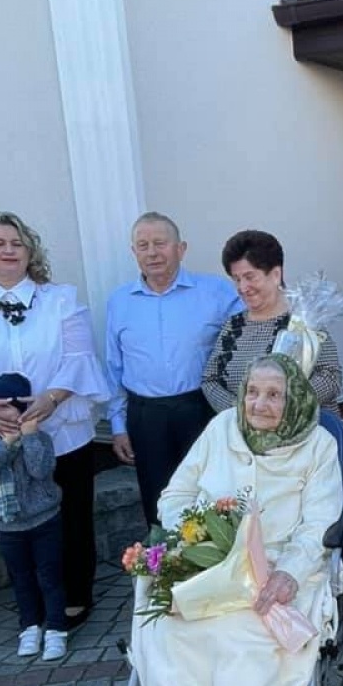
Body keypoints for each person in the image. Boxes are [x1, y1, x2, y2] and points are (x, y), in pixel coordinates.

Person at [135, 354, 343, 686]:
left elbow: (320, 524)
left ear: (293, 397)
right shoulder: (221, 427)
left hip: (278, 574)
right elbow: (175, 494)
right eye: (253, 391)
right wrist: (200, 529)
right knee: (165, 637)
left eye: (274, 394)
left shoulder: (317, 444)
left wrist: (290, 572)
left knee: (247, 646)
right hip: (210, 565)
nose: (260, 403)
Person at [0, 213, 109, 630]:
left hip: (62, 428)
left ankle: (77, 595)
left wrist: (51, 398)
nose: (8, 250)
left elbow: (80, 356)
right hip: (6, 436)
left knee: (72, 516)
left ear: (30, 252)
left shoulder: (61, 298)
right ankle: (33, 605)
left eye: (16, 243)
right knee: (18, 519)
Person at [105, 212, 242, 527]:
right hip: (145, 415)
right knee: (158, 500)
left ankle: (213, 569)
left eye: (160, 243)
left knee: (211, 495)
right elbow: (113, 367)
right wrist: (117, 425)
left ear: (181, 248)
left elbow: (250, 337)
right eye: (143, 245)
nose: (152, 252)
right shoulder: (119, 301)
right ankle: (166, 570)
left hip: (201, 408)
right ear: (134, 252)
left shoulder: (218, 292)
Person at [202, 229, 342, 415]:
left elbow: (330, 377)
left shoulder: (303, 321)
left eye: (250, 277)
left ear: (276, 274)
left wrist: (281, 407)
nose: (243, 288)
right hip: (245, 434)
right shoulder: (233, 326)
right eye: (236, 279)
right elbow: (210, 379)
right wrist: (242, 412)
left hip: (302, 434)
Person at [0, 374, 67, 661]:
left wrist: (27, 436)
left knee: (50, 577)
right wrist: (8, 444)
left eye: (3, 408)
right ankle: (30, 627)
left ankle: (56, 630)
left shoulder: (40, 437)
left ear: (20, 408)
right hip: (8, 525)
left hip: (44, 521)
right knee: (22, 578)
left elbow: (40, 470)